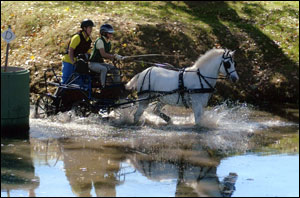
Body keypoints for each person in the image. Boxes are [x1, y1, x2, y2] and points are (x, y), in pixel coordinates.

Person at [89, 24, 123, 88]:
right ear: (104, 33)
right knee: (103, 69)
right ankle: (103, 87)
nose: (111, 35)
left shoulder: (108, 42)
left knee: (116, 70)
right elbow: (103, 54)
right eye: (109, 33)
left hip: (100, 63)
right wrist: (114, 56)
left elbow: (108, 54)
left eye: (111, 33)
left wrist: (116, 57)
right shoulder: (100, 41)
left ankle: (116, 87)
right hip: (93, 63)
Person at [61, 19, 95, 84]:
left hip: (78, 63)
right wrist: (73, 62)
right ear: (84, 28)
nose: (91, 30)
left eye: (91, 28)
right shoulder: (77, 37)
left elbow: (88, 53)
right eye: (90, 27)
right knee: (65, 81)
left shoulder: (88, 40)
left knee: (79, 83)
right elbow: (70, 50)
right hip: (69, 61)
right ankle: (58, 93)